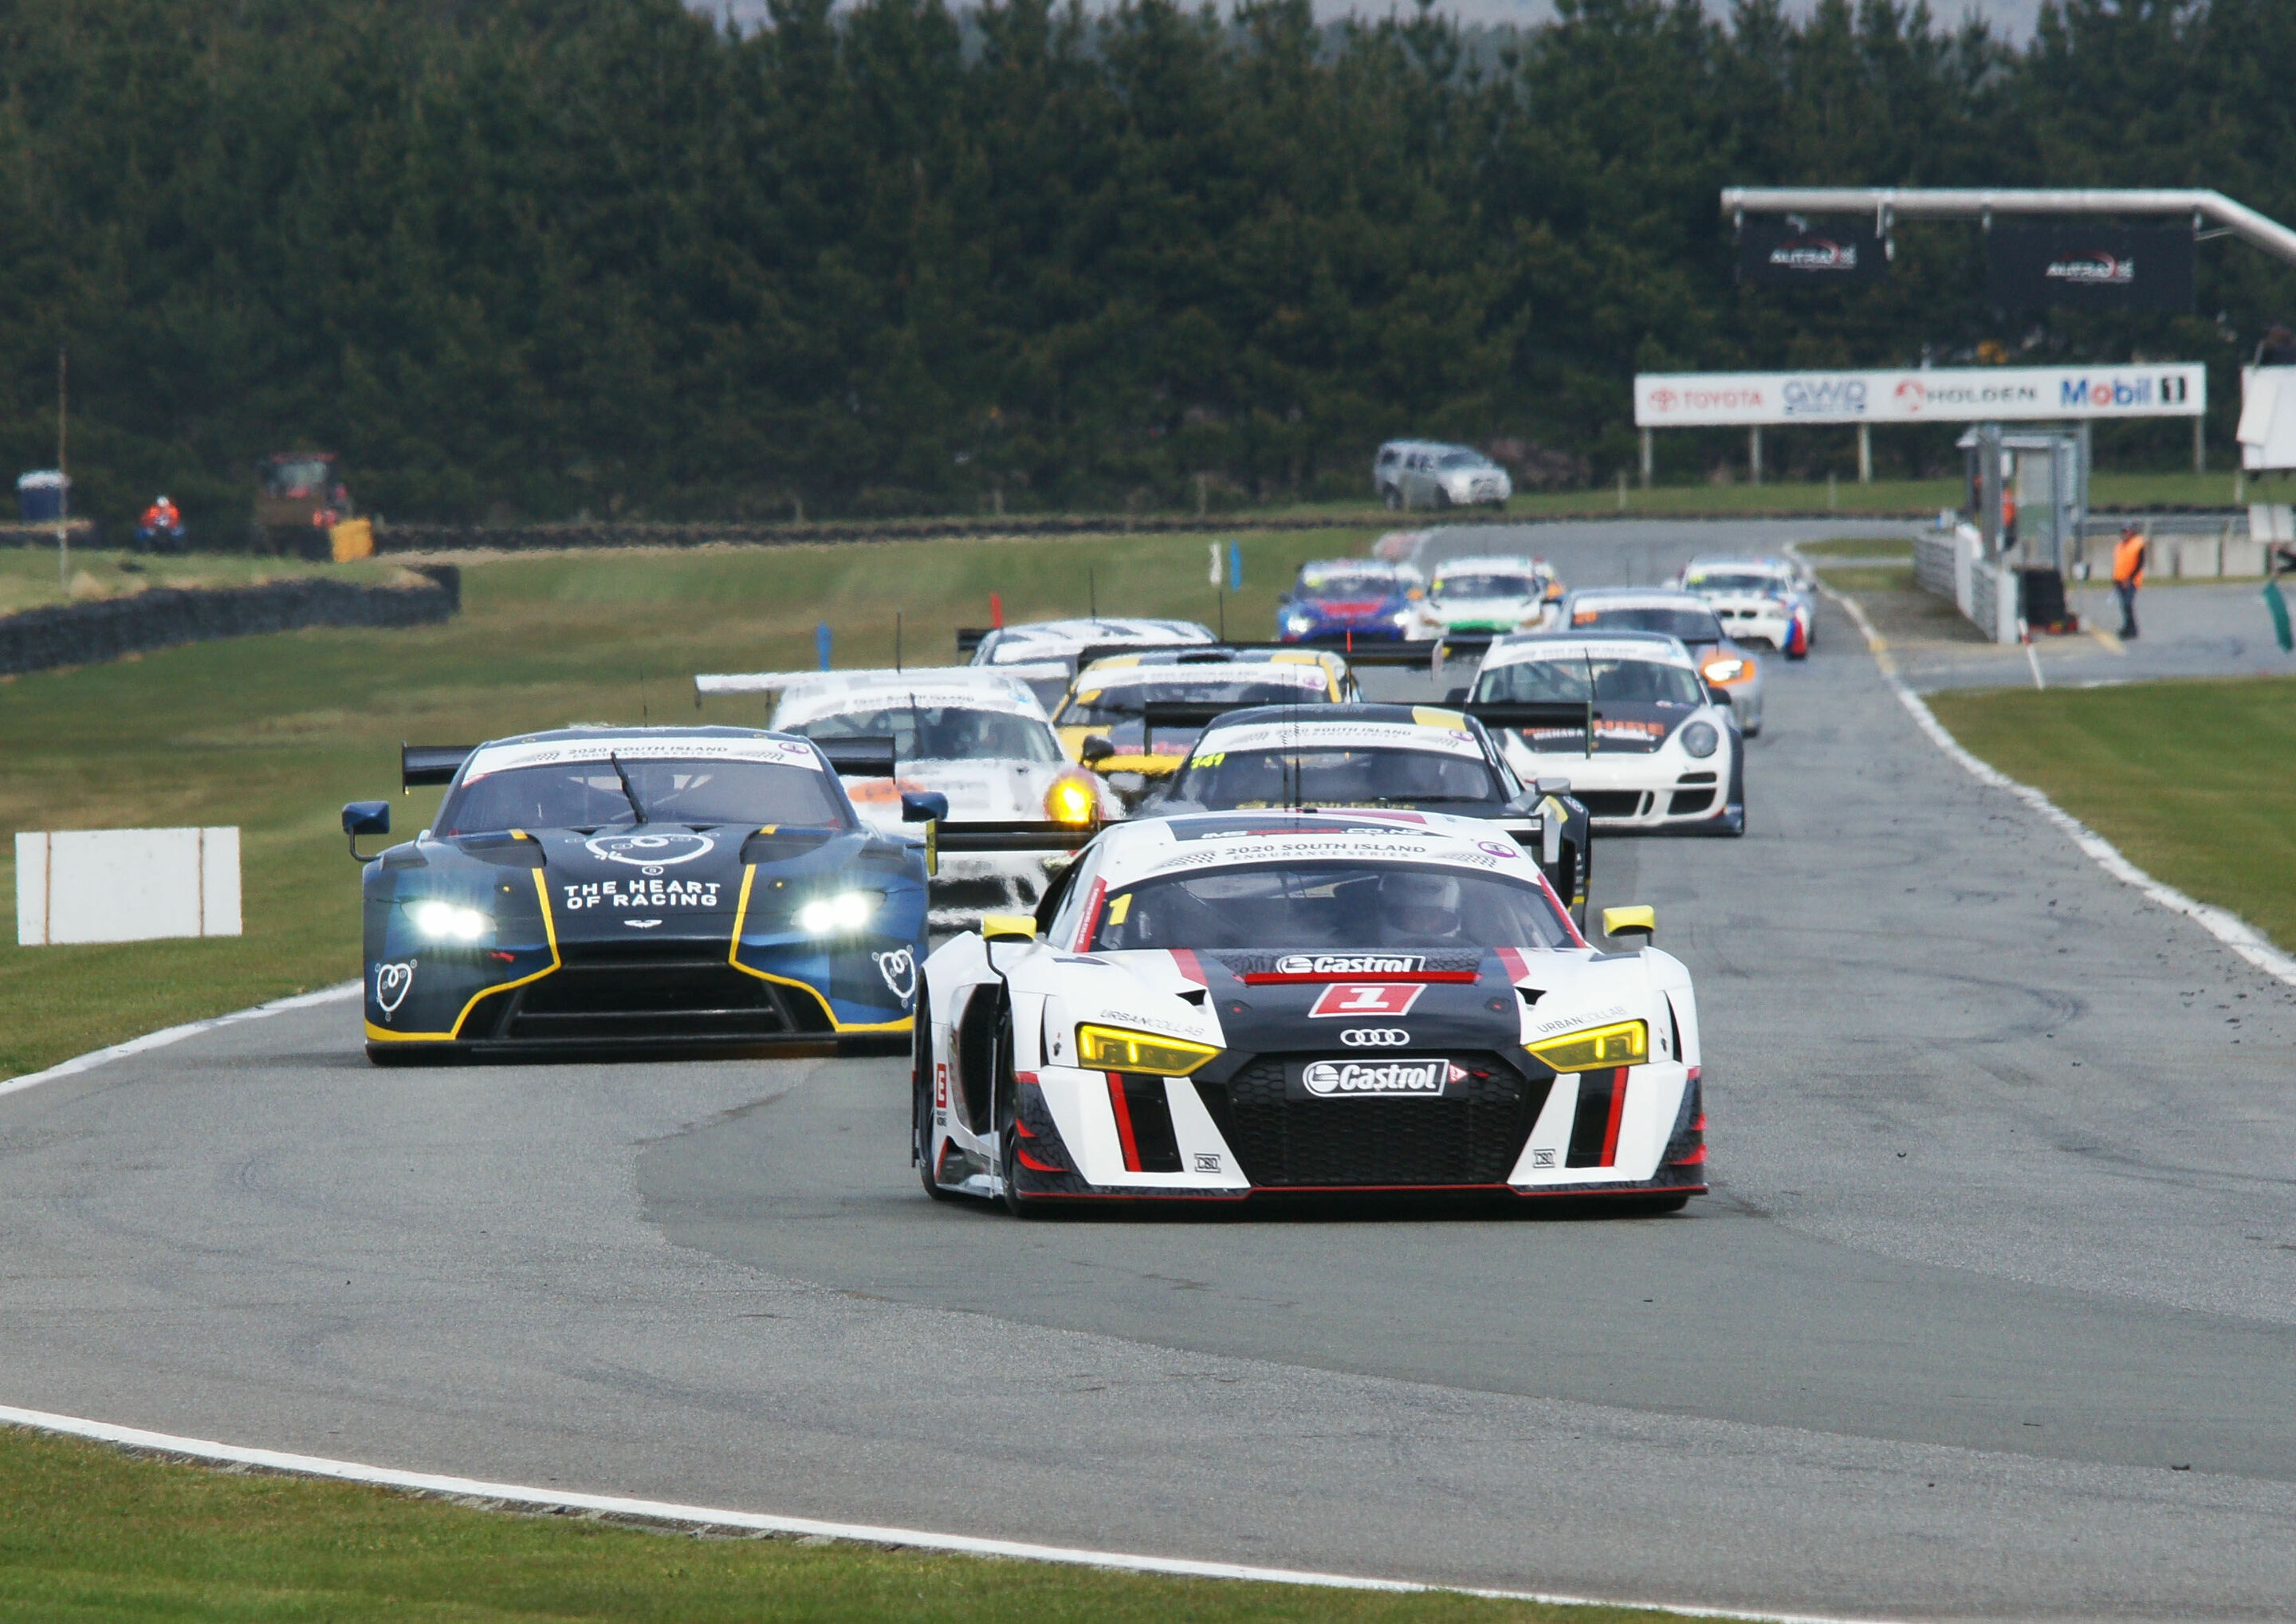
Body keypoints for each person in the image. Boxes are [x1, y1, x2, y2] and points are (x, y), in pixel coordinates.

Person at [1374, 869, 1467, 946]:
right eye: (1415, 916)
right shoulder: (1364, 951)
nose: (1425, 925)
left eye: (1432, 917)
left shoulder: (1469, 954)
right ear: (1398, 917)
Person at [2112, 524, 2147, 639]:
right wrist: (2115, 580)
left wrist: (2129, 579)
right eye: (2124, 532)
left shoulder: (2138, 545)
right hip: (2120, 580)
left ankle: (2132, 629)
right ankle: (2128, 627)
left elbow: (2140, 564)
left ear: (2132, 532)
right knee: (2124, 606)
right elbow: (2118, 564)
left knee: (2128, 604)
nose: (2125, 534)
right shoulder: (2120, 546)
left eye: (2127, 532)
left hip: (2131, 581)